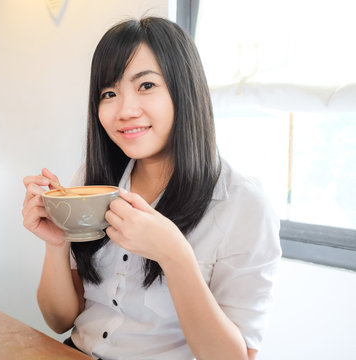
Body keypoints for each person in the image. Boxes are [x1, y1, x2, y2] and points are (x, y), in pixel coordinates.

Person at [22, 17, 281, 360]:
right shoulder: (91, 179)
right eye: (109, 94)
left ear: (184, 89)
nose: (125, 111)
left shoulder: (244, 204)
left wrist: (175, 255)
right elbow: (59, 320)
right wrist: (56, 243)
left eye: (146, 86)